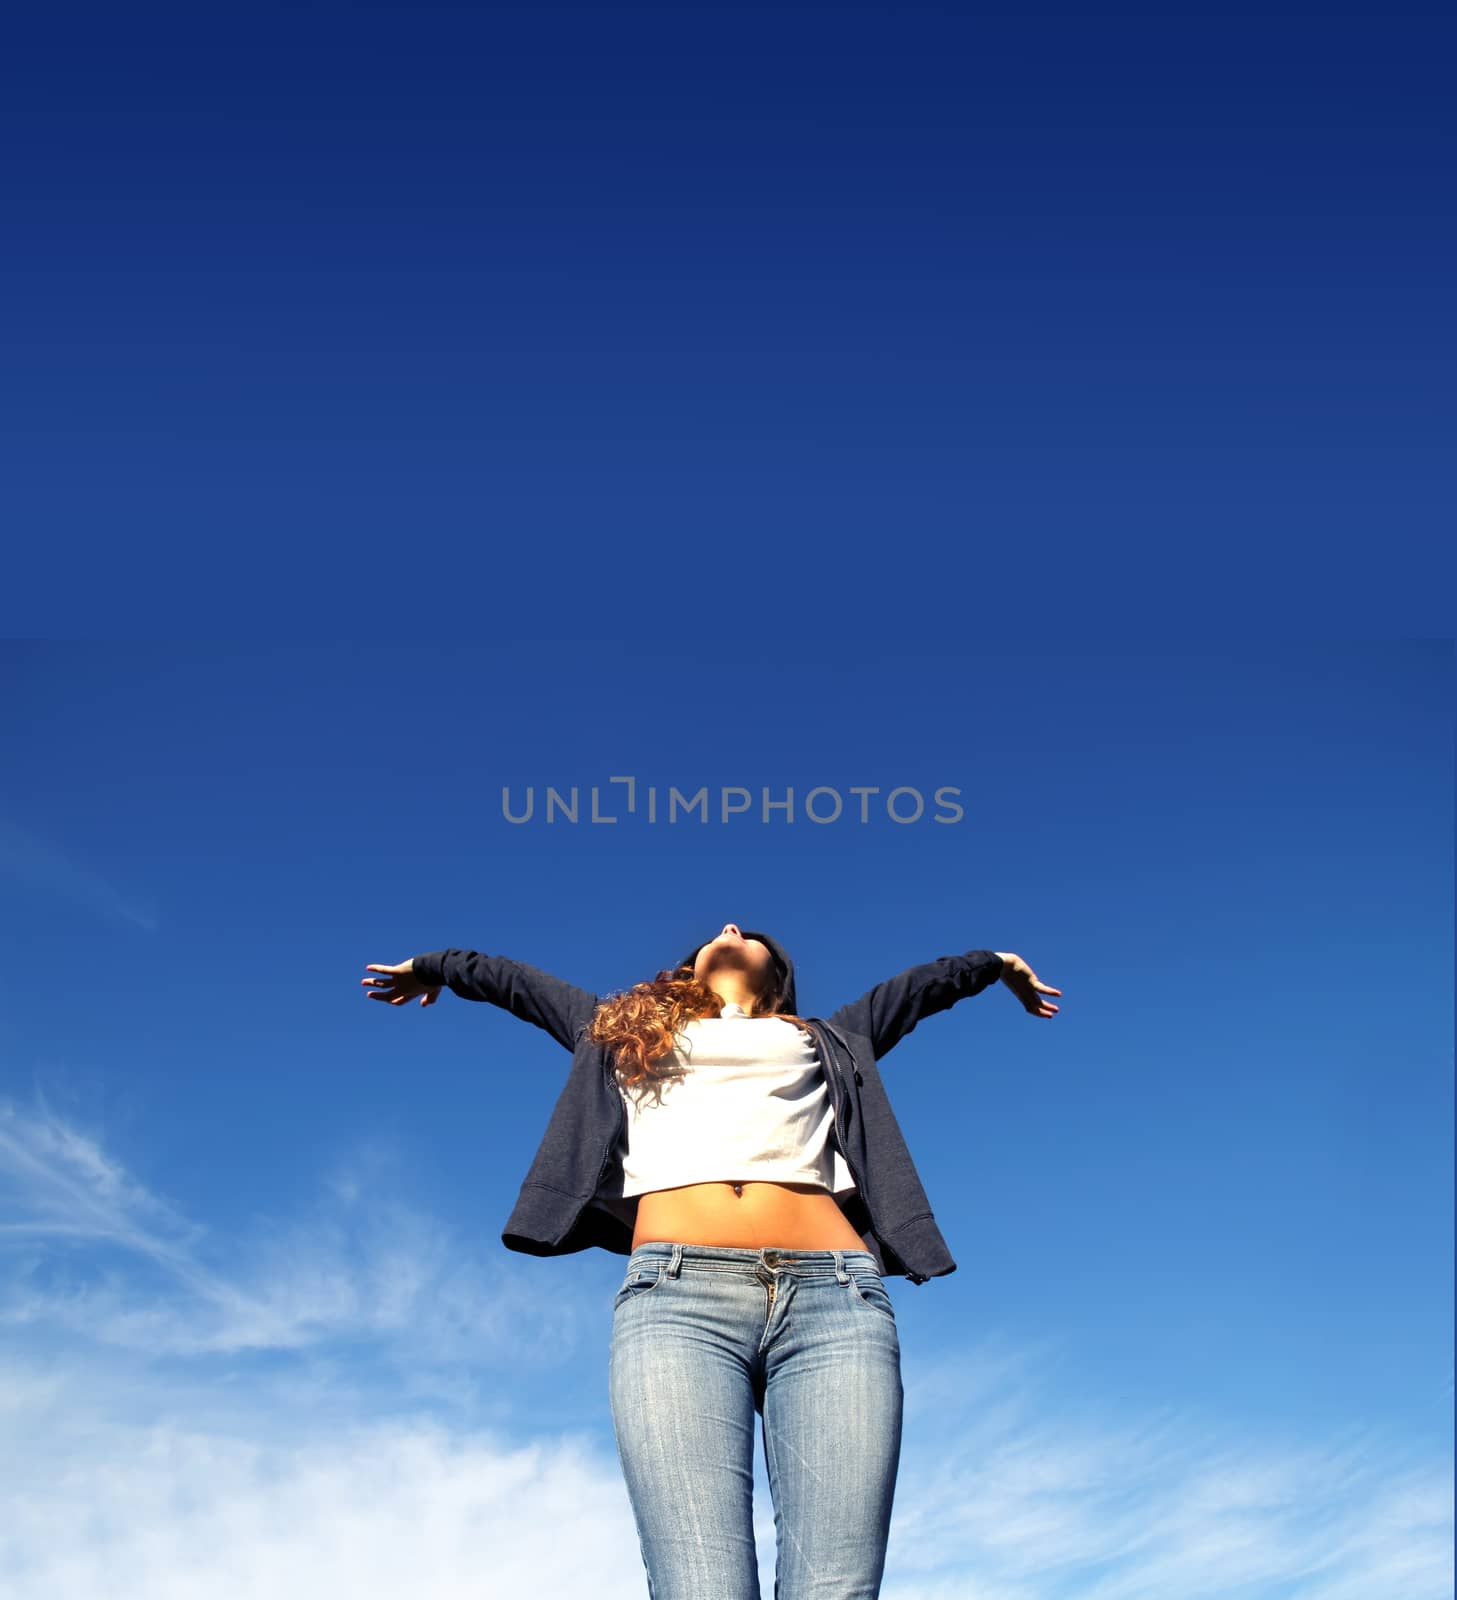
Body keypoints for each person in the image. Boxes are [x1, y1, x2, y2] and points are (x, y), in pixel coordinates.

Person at [363, 922, 1060, 1599]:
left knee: (837, 1587)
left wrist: (995, 963)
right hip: (676, 1301)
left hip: (837, 1304)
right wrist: (436, 965)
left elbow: (920, 987)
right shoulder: (626, 1030)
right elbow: (516, 983)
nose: (728, 925)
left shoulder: (832, 1038)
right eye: (715, 933)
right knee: (700, 1584)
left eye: (750, 932)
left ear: (779, 978)